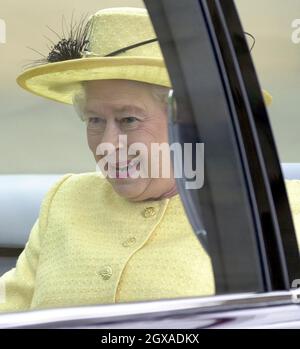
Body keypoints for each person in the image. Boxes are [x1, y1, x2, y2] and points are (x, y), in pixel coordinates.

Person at [0, 7, 296, 313]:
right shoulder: (65, 200)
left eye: (128, 119)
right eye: (94, 120)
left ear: (189, 121)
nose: (107, 144)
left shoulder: (280, 211)